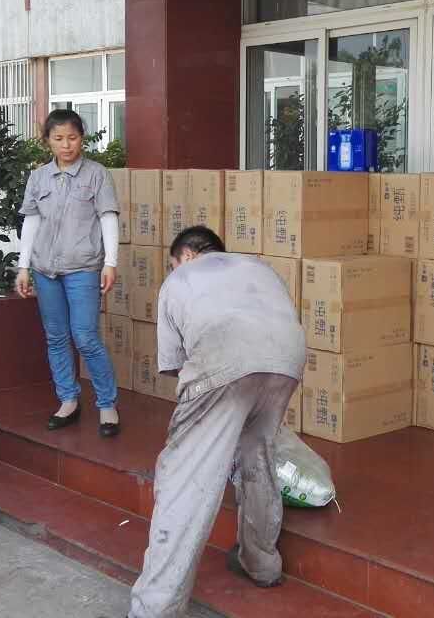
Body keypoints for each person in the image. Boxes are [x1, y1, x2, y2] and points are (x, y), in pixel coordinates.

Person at [128, 226, 304, 618]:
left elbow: (174, 365)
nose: (173, 269)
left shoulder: (181, 279)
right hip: (286, 360)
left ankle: (154, 607)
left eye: (173, 263)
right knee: (257, 455)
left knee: (185, 478)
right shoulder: (260, 268)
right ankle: (262, 563)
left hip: (225, 357)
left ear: (187, 255)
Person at [14, 109, 122, 437]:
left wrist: (111, 262)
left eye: (72, 138)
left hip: (83, 268)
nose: (66, 145)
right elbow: (31, 221)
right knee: (56, 337)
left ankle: (107, 404)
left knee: (85, 337)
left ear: (82, 139)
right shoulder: (38, 177)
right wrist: (23, 267)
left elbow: (107, 217)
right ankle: (68, 400)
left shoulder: (97, 174)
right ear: (47, 141)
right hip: (45, 269)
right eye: (58, 138)